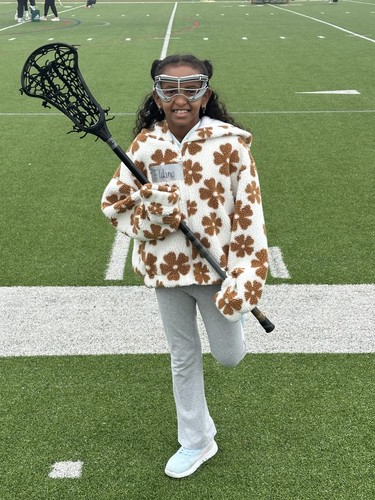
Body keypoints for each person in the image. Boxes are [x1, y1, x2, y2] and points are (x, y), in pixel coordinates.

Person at [101, 55, 269, 478]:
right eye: (169, 89)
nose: (181, 99)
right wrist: (154, 214)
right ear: (157, 97)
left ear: (205, 96)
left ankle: (235, 324)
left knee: (229, 357)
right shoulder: (145, 146)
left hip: (218, 274)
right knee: (183, 356)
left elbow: (249, 214)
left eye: (191, 89)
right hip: (167, 270)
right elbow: (115, 205)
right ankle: (196, 439)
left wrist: (246, 274)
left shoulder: (230, 146)